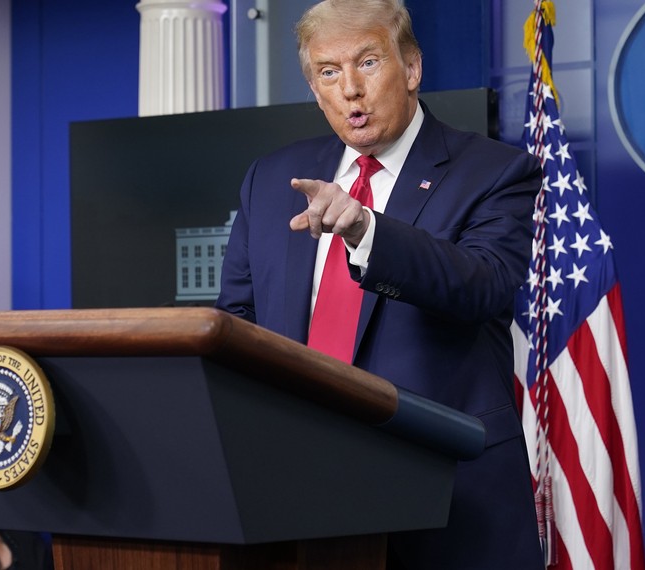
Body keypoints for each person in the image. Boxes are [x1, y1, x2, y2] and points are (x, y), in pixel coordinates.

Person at [215, 1, 545, 568]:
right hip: (298, 497)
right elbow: (237, 323)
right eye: (328, 71)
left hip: (447, 497)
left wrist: (367, 230)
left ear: (412, 68)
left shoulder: (493, 171)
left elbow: (483, 285)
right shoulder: (271, 180)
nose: (350, 90)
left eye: (367, 62)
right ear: (314, 88)